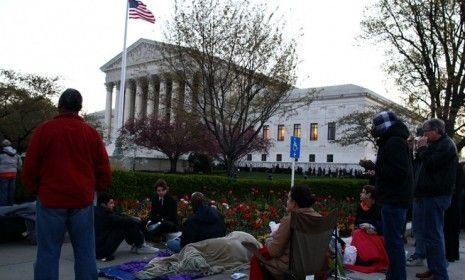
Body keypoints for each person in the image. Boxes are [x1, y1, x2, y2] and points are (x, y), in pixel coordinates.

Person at [22, 88, 112, 280]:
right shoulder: (91, 133)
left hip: (50, 200)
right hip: (81, 200)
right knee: (85, 251)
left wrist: (35, 189)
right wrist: (96, 188)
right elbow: (104, 169)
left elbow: (30, 167)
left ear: (59, 106)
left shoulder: (44, 131)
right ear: (79, 108)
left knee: (48, 252)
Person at [371, 111, 413, 280]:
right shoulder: (394, 140)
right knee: (393, 242)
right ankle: (393, 275)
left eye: (375, 126)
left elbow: (398, 171)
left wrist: (375, 168)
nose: (373, 130)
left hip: (394, 200)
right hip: (394, 198)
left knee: (394, 243)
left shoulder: (394, 142)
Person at [414, 118, 458, 280]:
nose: (424, 134)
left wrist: (422, 148)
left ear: (436, 131)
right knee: (429, 235)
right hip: (429, 195)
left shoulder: (446, 145)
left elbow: (432, 163)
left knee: (434, 236)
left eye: (427, 131)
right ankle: (434, 269)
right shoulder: (436, 145)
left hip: (436, 195)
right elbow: (422, 162)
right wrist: (420, 150)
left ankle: (439, 273)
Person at [249, 185, 321, 280]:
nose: (286, 202)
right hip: (315, 268)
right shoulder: (319, 218)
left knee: (256, 258)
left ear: (294, 203)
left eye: (288, 199)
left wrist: (269, 239)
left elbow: (274, 251)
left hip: (290, 269)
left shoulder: (291, 220)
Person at [94, 192, 158, 261]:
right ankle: (140, 245)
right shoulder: (106, 216)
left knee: (126, 221)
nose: (113, 205)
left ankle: (137, 244)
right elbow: (120, 219)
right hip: (102, 251)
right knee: (126, 224)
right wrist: (141, 222)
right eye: (111, 203)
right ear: (103, 204)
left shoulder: (97, 211)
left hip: (96, 249)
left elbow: (118, 215)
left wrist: (132, 217)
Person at [345, 185, 389, 273]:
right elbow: (357, 223)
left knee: (359, 234)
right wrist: (363, 226)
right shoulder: (360, 207)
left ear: (369, 195)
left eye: (363, 192)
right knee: (357, 233)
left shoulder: (379, 207)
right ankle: (363, 258)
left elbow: (383, 226)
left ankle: (371, 258)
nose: (360, 194)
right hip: (363, 232)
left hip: (376, 234)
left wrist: (371, 227)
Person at [443, 161, 464, 262]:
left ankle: (450, 253)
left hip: (452, 201)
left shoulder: (453, 167)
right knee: (452, 229)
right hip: (456, 201)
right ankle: (452, 254)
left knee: (449, 228)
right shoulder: (458, 167)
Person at [0, 139, 22, 206]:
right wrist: (18, 170)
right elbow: (20, 164)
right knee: (11, 191)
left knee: (4, 191)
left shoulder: (1, 155)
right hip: (13, 173)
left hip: (3, 174)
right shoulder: (16, 155)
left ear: (3, 146)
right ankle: (11, 205)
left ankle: (4, 208)